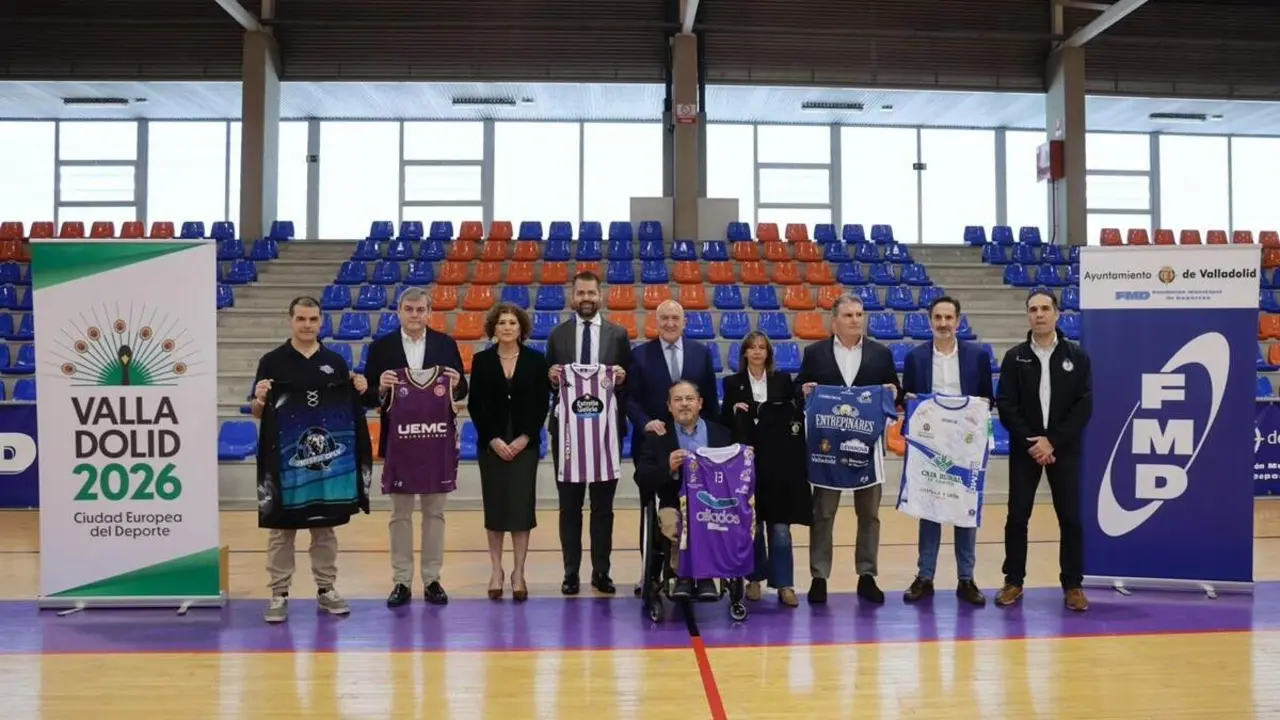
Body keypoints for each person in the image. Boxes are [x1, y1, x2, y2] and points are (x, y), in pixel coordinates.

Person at [250, 296, 370, 623]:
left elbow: (349, 409)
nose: (307, 325)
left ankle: (326, 589)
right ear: (291, 320)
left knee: (325, 528)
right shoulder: (271, 361)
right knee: (281, 529)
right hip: (285, 465)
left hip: (325, 464)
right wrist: (259, 398)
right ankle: (278, 592)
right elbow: (259, 413)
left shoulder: (335, 360)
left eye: (313, 319)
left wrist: (359, 388)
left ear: (321, 322)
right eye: (301, 319)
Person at [361, 287, 466, 608]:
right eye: (409, 309)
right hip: (399, 442)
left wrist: (457, 384)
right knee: (400, 514)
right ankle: (402, 581)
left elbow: (461, 390)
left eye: (421, 309)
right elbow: (367, 395)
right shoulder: (382, 347)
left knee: (435, 513)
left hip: (437, 442)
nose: (415, 315)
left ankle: (432, 579)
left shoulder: (445, 345)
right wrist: (380, 387)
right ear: (399, 312)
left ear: (429, 312)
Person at [795, 293, 901, 605]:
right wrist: (803, 390)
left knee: (869, 514)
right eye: (849, 315)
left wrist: (894, 392)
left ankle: (867, 575)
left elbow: (896, 391)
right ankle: (819, 577)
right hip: (827, 451)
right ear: (835, 320)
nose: (856, 320)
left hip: (867, 449)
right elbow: (798, 386)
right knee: (823, 513)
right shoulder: (816, 353)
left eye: (859, 314)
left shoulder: (880, 354)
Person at [995, 290, 1093, 612]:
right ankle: (1013, 581)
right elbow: (1006, 404)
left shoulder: (1077, 357)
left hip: (1063, 449)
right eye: (1033, 309)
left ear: (1057, 314)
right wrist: (1033, 442)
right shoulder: (1015, 357)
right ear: (1027, 315)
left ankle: (1073, 584)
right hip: (1026, 451)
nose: (1039, 314)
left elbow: (1083, 405)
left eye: (1045, 308)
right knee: (1017, 517)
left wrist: (1053, 441)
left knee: (1070, 518)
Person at [900, 296, 994, 606]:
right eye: (937, 317)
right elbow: (907, 399)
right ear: (930, 321)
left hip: (965, 446)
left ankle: (966, 579)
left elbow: (986, 400)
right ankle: (924, 576)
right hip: (931, 445)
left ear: (958, 320)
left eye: (948, 318)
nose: (943, 323)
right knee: (930, 509)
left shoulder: (977, 356)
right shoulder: (915, 358)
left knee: (965, 510)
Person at [545, 271, 631, 595]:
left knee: (603, 508)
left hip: (606, 435)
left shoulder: (619, 335)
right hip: (567, 436)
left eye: (591, 293)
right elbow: (549, 383)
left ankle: (601, 571)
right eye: (580, 293)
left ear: (600, 296)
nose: (586, 299)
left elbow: (629, 384)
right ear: (572, 297)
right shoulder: (557, 336)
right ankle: (570, 573)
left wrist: (622, 378)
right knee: (569, 507)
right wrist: (551, 376)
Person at [720, 331, 809, 607]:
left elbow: (797, 414)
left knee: (780, 529)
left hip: (779, 465)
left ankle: (784, 584)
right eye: (752, 347)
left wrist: (805, 393)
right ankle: (754, 579)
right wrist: (732, 408)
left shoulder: (783, 381)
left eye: (762, 347)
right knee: (754, 527)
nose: (757, 352)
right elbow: (723, 421)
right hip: (747, 465)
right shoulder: (732, 383)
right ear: (744, 353)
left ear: (768, 353)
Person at [468, 303, 550, 602]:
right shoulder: (482, 360)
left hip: (524, 445)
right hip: (492, 446)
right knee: (496, 509)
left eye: (512, 323)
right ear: (494, 327)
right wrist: (492, 439)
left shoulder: (536, 360)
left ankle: (518, 572)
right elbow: (476, 405)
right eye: (502, 322)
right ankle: (496, 571)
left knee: (520, 509)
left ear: (521, 328)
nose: (507, 327)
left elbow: (542, 403)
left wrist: (525, 437)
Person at [636, 380, 735, 601]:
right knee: (673, 522)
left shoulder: (722, 435)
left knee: (711, 520)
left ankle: (706, 577)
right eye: (678, 400)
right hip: (673, 502)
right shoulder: (657, 436)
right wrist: (667, 467)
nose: (684, 404)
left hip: (713, 504)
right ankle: (684, 576)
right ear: (669, 406)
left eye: (689, 399)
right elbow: (641, 476)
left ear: (700, 403)